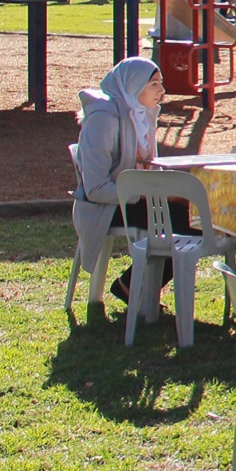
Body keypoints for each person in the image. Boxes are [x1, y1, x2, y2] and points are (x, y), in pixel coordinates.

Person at [73, 57, 199, 305]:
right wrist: (151, 195)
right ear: (133, 85)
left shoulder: (142, 116)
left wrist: (168, 192)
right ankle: (133, 286)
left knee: (197, 214)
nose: (162, 91)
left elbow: (148, 169)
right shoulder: (103, 120)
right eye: (153, 84)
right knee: (189, 224)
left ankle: (135, 285)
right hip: (106, 207)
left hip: (137, 201)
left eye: (161, 83)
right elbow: (96, 189)